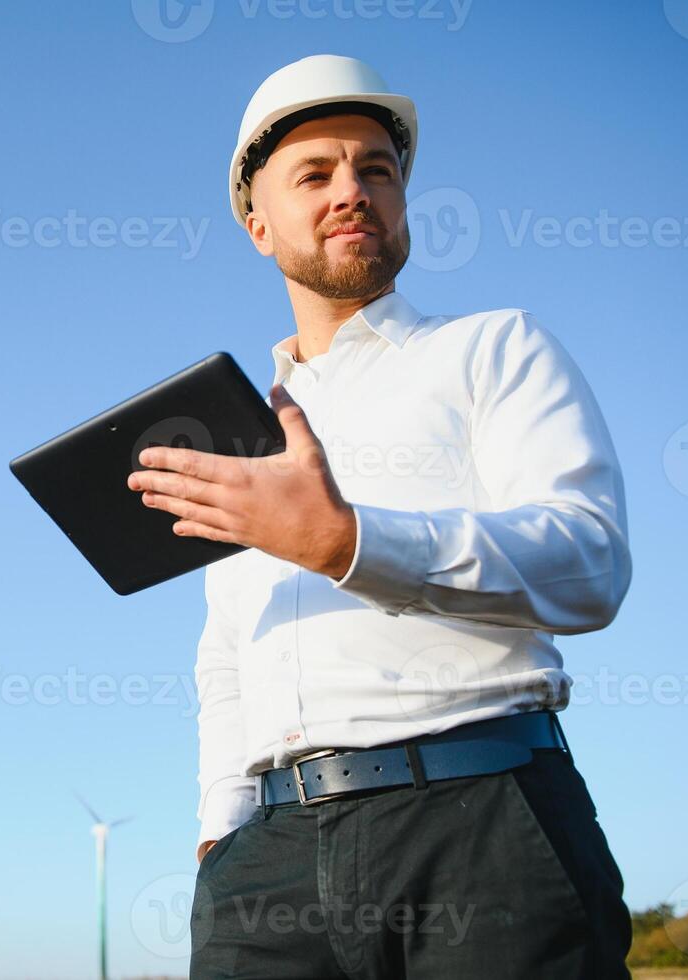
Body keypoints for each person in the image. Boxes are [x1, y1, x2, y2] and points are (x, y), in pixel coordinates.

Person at [125, 54, 634, 979]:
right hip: (266, 864)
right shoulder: (243, 436)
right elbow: (227, 654)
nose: (350, 191)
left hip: (484, 823)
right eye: (313, 175)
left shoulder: (495, 348)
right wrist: (218, 829)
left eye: (375, 169)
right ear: (257, 225)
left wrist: (348, 543)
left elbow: (587, 561)